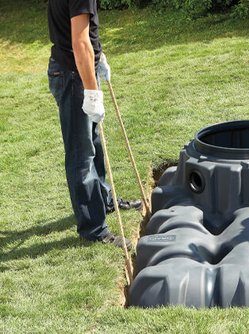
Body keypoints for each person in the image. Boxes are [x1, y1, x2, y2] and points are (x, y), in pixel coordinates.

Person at [47, 0, 141, 249]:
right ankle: (94, 229)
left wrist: (98, 54)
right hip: (73, 73)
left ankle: (104, 200)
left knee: (94, 143)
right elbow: (78, 42)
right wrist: (91, 91)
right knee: (82, 153)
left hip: (74, 68)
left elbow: (79, 31)